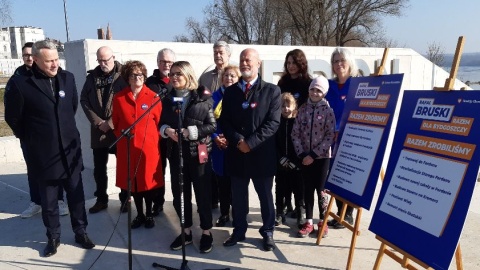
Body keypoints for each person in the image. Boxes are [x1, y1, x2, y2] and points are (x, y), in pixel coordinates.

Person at [4, 40, 95, 257]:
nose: (55, 65)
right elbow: (13, 118)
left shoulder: (68, 78)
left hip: (70, 152)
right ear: (35, 60)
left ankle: (80, 231)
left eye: (56, 59)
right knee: (50, 201)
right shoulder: (21, 83)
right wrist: (31, 139)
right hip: (43, 155)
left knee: (76, 197)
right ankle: (53, 237)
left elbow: (70, 108)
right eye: (49, 61)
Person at [220, 48, 281, 252]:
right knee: (238, 196)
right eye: (242, 60)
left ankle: (268, 232)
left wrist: (251, 143)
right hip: (237, 154)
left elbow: (273, 123)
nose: (245, 63)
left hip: (262, 155)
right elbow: (224, 121)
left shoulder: (272, 91)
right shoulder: (230, 91)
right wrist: (238, 141)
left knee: (265, 196)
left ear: (258, 64)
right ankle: (239, 230)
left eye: (249, 60)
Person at [5, 42, 68, 218]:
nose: (29, 58)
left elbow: (68, 104)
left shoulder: (52, 76)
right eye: (25, 55)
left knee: (57, 168)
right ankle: (36, 201)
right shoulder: (18, 78)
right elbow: (12, 114)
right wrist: (25, 135)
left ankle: (60, 200)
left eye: (31, 55)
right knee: (34, 169)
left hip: (52, 136)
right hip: (30, 137)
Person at [160, 61, 216, 253]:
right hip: (176, 155)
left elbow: (211, 126)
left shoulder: (201, 97)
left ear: (188, 76)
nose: (174, 77)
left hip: (197, 153)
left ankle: (207, 232)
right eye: (172, 74)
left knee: (203, 194)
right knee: (180, 195)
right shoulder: (167, 99)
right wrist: (166, 130)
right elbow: (160, 123)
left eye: (179, 74)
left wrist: (190, 131)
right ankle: (186, 231)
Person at [112, 60, 164, 229]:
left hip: (147, 148)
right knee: (133, 183)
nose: (137, 78)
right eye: (134, 75)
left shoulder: (153, 97)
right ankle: (139, 214)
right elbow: (116, 122)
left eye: (140, 74)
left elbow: (159, 122)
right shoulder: (119, 98)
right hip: (127, 148)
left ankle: (149, 214)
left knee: (147, 182)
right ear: (128, 77)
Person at [80, 46, 128, 214]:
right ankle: (101, 199)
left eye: (105, 60)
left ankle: (125, 199)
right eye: (99, 60)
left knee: (123, 166)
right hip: (99, 131)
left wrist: (111, 122)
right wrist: (99, 122)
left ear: (113, 57)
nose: (102, 64)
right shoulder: (92, 77)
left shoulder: (124, 75)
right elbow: (84, 100)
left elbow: (127, 102)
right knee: (99, 169)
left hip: (118, 130)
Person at [291, 75, 335, 238]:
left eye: (319, 91)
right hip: (304, 157)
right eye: (313, 90)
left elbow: (330, 135)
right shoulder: (303, 109)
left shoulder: (328, 111)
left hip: (321, 158)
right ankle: (309, 221)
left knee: (321, 190)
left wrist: (315, 154)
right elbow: (295, 133)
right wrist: (302, 154)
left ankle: (323, 221)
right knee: (307, 189)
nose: (315, 93)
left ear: (324, 93)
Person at [276, 49, 312, 225]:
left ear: (301, 64)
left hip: (302, 133)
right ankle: (285, 207)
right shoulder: (282, 82)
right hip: (284, 130)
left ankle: (301, 208)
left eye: (294, 63)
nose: (291, 66)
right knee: (283, 178)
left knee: (299, 177)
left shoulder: (308, 83)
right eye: (288, 63)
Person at [325, 47, 359, 229]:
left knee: (348, 175)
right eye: (335, 61)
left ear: (349, 62)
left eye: (342, 60)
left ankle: (349, 214)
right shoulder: (329, 86)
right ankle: (340, 212)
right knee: (334, 175)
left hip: (350, 139)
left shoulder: (358, 85)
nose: (339, 64)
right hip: (330, 139)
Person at [198, 41, 232, 210]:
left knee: (226, 171)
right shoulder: (205, 77)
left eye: (221, 52)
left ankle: (227, 203)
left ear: (228, 55)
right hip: (207, 132)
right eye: (216, 52)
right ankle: (211, 200)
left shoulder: (235, 74)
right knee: (206, 167)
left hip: (227, 133)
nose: (218, 55)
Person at [145, 48, 176, 216]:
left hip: (175, 135)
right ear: (158, 63)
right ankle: (158, 202)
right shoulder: (149, 83)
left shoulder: (178, 80)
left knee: (177, 170)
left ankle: (179, 201)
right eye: (164, 61)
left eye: (170, 62)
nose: (167, 65)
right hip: (155, 136)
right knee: (158, 171)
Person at [211, 65, 240, 227]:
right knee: (222, 182)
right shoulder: (214, 97)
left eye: (233, 76)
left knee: (236, 182)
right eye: (226, 76)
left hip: (235, 145)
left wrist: (231, 138)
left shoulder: (242, 96)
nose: (229, 78)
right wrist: (215, 137)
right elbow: (208, 120)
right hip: (219, 146)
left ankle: (237, 212)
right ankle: (223, 213)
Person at [274, 93, 302, 228]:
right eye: (283, 106)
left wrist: (295, 160)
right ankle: (279, 212)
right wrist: (280, 158)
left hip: (295, 163)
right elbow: (273, 142)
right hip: (281, 163)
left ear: (294, 106)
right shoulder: (276, 122)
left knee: (298, 189)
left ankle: (300, 214)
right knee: (280, 188)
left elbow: (301, 142)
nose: (285, 109)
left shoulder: (298, 122)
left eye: (288, 106)